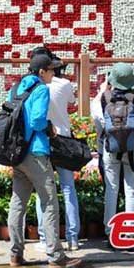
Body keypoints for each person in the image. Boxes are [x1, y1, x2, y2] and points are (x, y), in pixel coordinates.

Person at [7, 54, 82, 268]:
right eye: (51, 70)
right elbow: (37, 120)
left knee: (18, 203)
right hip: (36, 153)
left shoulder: (17, 88)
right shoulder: (41, 90)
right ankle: (56, 257)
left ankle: (15, 254)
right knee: (49, 202)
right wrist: (49, 127)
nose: (53, 74)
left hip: (18, 154)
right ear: (41, 72)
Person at [31, 47, 80, 251]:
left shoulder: (34, 86)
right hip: (64, 139)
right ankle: (73, 238)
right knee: (68, 188)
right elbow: (72, 102)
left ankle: (45, 239)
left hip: (42, 140)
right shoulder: (65, 84)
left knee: (43, 191)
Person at [98, 63, 134, 241]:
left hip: (111, 146)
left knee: (112, 188)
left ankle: (110, 231)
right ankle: (130, 232)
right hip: (133, 148)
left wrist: (106, 87)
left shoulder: (105, 97)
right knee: (131, 189)